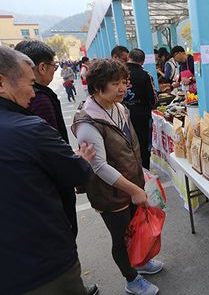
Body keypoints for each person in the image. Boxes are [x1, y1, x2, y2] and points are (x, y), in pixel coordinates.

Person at [0, 47, 98, 295]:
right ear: (2, 82)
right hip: (42, 264)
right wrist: (81, 160)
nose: (33, 93)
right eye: (30, 83)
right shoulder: (29, 128)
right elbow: (74, 172)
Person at [72, 59, 162, 295]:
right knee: (122, 237)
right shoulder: (87, 122)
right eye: (115, 84)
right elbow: (99, 166)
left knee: (136, 227)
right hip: (109, 193)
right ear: (97, 87)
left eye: (124, 82)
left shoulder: (119, 107)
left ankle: (140, 262)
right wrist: (133, 190)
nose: (123, 88)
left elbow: (127, 148)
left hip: (131, 181)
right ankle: (131, 279)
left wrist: (139, 178)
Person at [14, 40, 80, 237]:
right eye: (54, 66)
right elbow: (50, 147)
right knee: (65, 233)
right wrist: (74, 170)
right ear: (41, 67)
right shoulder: (39, 98)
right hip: (52, 186)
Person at [123, 48, 157, 169]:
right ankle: (144, 170)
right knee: (143, 144)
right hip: (142, 116)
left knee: (126, 144)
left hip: (122, 114)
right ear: (142, 62)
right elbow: (153, 99)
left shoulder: (119, 73)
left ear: (128, 58)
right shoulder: (145, 75)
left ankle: (131, 169)